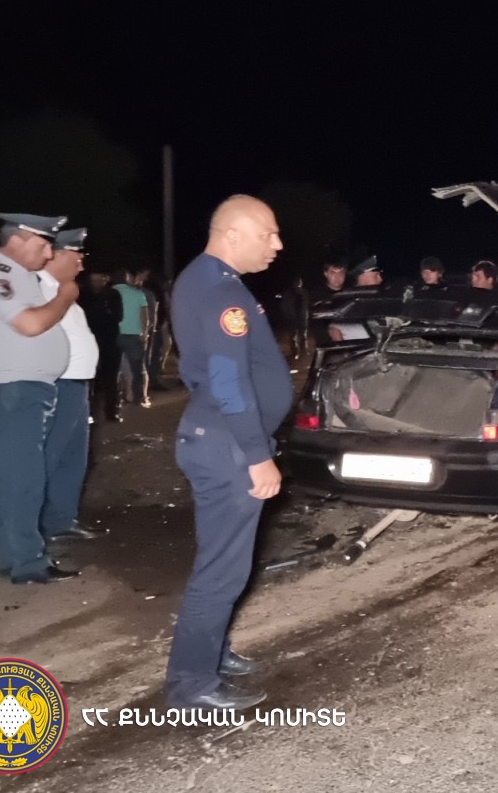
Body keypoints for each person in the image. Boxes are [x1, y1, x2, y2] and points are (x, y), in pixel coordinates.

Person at [165, 194, 291, 710]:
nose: (278, 244)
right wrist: (258, 455)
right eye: (269, 233)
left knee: (220, 562)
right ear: (233, 234)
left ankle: (209, 653)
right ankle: (191, 683)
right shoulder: (221, 290)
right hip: (228, 445)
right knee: (222, 571)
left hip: (216, 438)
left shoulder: (209, 280)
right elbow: (228, 382)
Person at [0, 213, 82, 585]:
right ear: (19, 239)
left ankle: (6, 557)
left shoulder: (21, 276)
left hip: (25, 387)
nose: (49, 254)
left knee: (14, 476)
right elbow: (30, 324)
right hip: (13, 388)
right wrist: (65, 296)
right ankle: (28, 562)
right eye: (43, 245)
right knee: (26, 476)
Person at [37, 229, 101, 544]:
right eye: (77, 257)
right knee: (49, 457)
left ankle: (60, 520)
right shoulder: (38, 289)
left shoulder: (65, 290)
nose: (81, 265)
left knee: (73, 457)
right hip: (56, 384)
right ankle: (35, 525)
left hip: (77, 384)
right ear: (57, 254)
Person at [83, 271, 125, 422]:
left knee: (110, 379)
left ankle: (111, 412)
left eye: (98, 279)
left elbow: (118, 316)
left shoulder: (112, 294)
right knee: (89, 379)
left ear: (106, 279)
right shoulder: (84, 294)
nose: (95, 283)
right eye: (93, 279)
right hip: (90, 342)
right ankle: (88, 412)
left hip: (109, 342)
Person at [112, 269, 151, 408]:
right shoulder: (138, 294)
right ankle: (139, 398)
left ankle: (116, 399)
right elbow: (145, 317)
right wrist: (145, 334)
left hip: (114, 335)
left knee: (114, 370)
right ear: (127, 278)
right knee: (137, 369)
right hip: (134, 335)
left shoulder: (110, 293)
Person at [278, 277, 309, 360]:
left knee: (303, 335)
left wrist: (306, 315)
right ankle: (295, 352)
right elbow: (283, 306)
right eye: (297, 282)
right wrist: (287, 315)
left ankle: (303, 351)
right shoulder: (288, 294)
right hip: (292, 317)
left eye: (299, 282)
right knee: (293, 336)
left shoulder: (304, 292)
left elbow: (307, 305)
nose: (298, 283)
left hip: (302, 317)